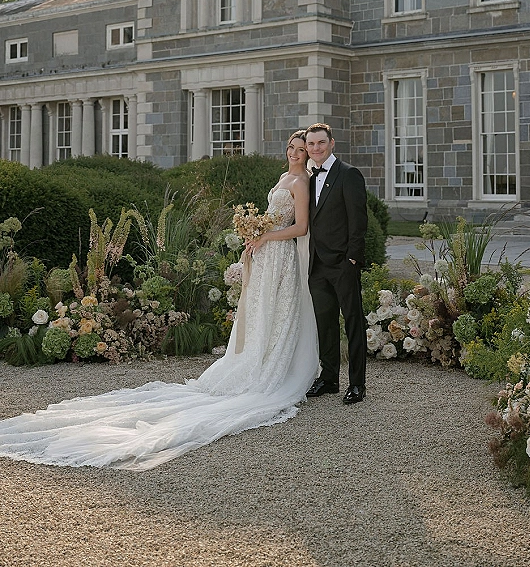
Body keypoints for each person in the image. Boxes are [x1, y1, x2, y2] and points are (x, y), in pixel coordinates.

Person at [0, 132, 318, 471]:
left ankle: (274, 364)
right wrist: (255, 236)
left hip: (281, 256)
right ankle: (258, 357)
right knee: (261, 314)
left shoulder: (301, 182)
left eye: (302, 149)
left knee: (279, 314)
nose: (296, 153)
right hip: (267, 255)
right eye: (292, 147)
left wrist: (264, 235)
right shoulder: (284, 176)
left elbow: (300, 227)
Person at [304, 122, 368, 405]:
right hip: (317, 263)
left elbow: (359, 221)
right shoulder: (307, 177)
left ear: (332, 144)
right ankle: (329, 378)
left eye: (320, 143)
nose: (315, 148)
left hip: (343, 263)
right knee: (325, 323)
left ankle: (357, 384)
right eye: (311, 144)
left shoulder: (348, 174)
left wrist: (352, 259)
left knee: (353, 322)